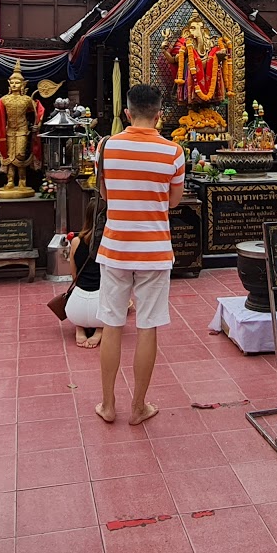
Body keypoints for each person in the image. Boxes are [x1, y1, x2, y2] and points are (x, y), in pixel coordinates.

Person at [94, 83, 185, 425]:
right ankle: (138, 407)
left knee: (112, 324)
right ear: (159, 115)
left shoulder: (106, 147)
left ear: (127, 113)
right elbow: (173, 202)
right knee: (148, 327)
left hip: (115, 248)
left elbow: (104, 193)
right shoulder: (174, 153)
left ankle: (107, 404)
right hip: (155, 251)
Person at [65, 196, 104, 348]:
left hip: (75, 309)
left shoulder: (75, 241)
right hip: (101, 309)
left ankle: (79, 327)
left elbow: (75, 277)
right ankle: (100, 330)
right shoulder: (110, 243)